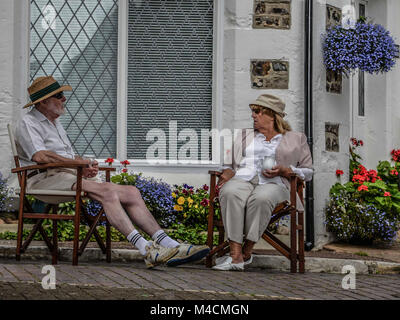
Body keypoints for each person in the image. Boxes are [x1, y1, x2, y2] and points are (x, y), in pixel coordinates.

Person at [16, 76, 210, 268]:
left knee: (131, 192)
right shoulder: (29, 123)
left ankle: (171, 245)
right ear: (43, 101)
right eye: (59, 95)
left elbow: (62, 157)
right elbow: (40, 156)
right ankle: (145, 249)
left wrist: (83, 168)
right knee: (108, 192)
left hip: (66, 176)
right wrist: (78, 164)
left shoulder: (55, 123)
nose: (64, 99)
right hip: (42, 180)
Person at [212, 94, 313, 271]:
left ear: (273, 115)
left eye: (258, 111)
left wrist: (286, 170)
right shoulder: (243, 135)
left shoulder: (296, 138)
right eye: (253, 111)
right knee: (229, 192)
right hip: (243, 178)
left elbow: (308, 171)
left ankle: (246, 252)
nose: (253, 115)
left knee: (261, 198)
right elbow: (228, 164)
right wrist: (226, 172)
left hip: (276, 184)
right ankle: (235, 256)